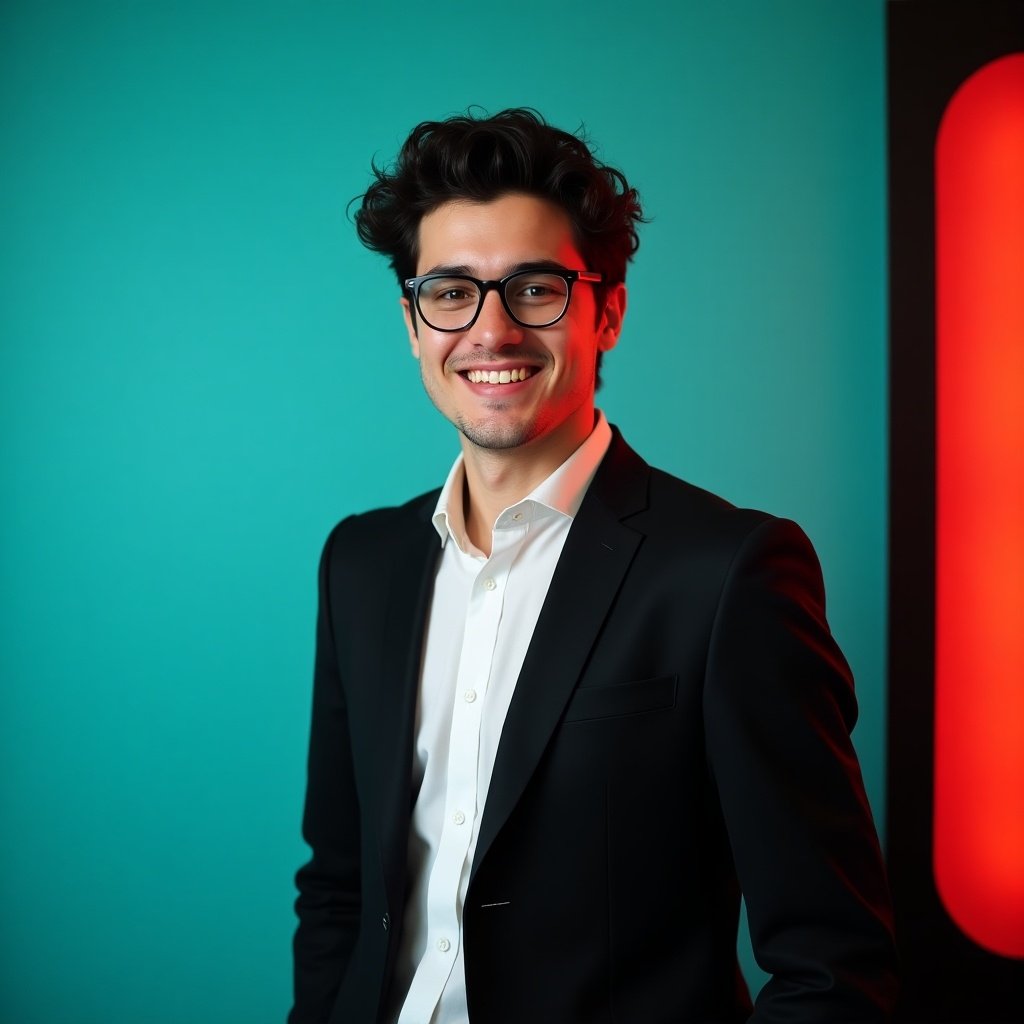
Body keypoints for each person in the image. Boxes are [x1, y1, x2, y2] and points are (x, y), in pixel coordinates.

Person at [289, 108, 898, 1024]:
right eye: (450, 292)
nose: (489, 332)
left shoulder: (729, 574)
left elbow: (834, 965)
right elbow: (338, 887)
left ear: (607, 308)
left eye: (535, 288)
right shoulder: (361, 564)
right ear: (413, 323)